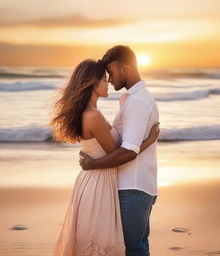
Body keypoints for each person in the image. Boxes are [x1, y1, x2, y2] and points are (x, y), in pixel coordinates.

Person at [50, 58, 159, 255]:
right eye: (102, 78)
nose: (107, 81)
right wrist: (150, 140)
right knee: (98, 243)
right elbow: (120, 152)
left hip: (94, 180)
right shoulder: (93, 116)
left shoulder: (90, 113)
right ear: (91, 83)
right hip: (98, 182)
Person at [79, 45, 160, 256]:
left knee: (133, 249)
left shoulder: (137, 102)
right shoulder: (135, 100)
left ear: (126, 69)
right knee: (137, 247)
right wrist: (150, 141)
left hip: (132, 187)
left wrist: (93, 164)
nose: (110, 79)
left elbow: (129, 151)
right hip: (136, 185)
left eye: (111, 73)